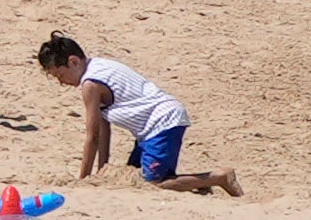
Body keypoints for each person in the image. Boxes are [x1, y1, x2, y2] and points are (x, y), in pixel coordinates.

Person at [35, 34, 237, 197]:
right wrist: (100, 172)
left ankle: (218, 177)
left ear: (73, 61)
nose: (62, 82)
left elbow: (92, 137)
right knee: (130, 177)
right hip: (149, 129)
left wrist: (82, 180)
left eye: (60, 75)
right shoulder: (99, 66)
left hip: (162, 121)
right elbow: (104, 130)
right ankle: (196, 184)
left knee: (152, 183)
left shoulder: (90, 84)